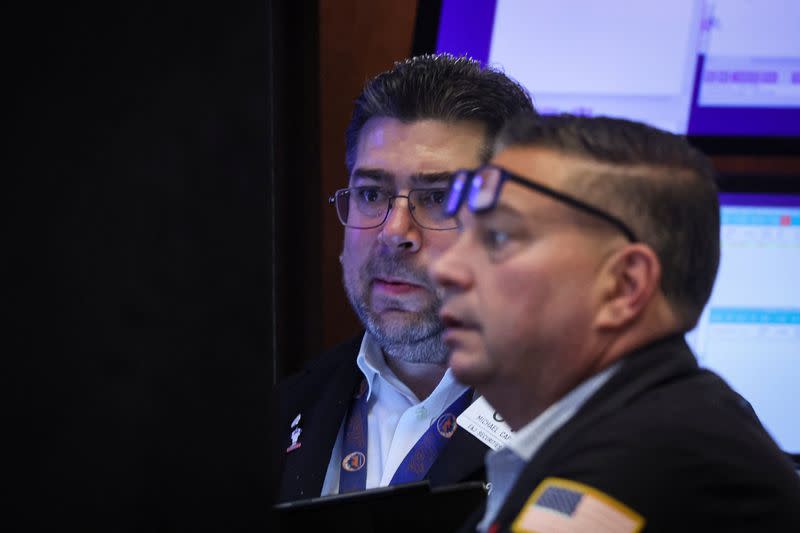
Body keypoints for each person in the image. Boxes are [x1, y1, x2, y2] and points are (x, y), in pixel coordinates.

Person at [430, 113, 800, 532]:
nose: (446, 268)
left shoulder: (657, 461)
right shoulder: (627, 432)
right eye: (463, 235)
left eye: (499, 237)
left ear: (625, 286)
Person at [273, 53, 535, 502]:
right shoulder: (281, 411)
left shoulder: (592, 429)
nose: (394, 232)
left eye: (437, 198)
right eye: (371, 194)